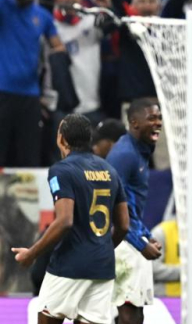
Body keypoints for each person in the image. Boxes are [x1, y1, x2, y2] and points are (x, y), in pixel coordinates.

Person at [11, 114, 129, 324]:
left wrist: (32, 253)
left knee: (47, 319)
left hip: (69, 266)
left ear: (62, 139)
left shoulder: (61, 170)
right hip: (102, 266)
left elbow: (65, 221)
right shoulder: (110, 171)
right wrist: (101, 248)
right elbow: (123, 225)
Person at [0, 0, 63, 168]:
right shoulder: (3, 7)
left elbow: (58, 47)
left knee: (29, 153)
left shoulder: (43, 15)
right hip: (3, 91)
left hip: (31, 94)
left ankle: (28, 199)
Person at [108, 97, 163, 324]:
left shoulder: (140, 151)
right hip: (123, 242)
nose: (158, 122)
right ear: (134, 123)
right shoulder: (124, 155)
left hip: (132, 237)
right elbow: (112, 207)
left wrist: (146, 235)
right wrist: (141, 244)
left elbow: (130, 207)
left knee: (136, 313)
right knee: (129, 312)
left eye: (159, 118)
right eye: (151, 118)